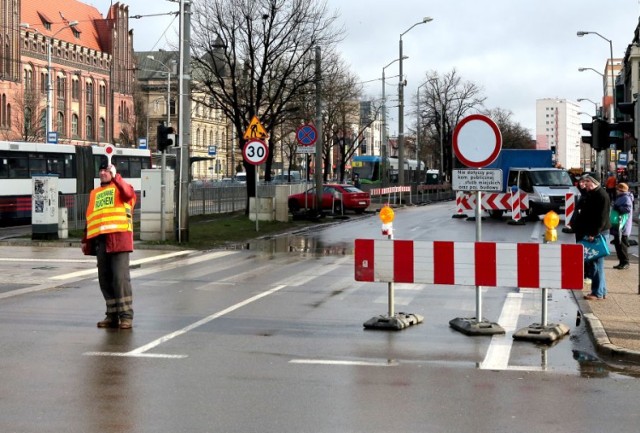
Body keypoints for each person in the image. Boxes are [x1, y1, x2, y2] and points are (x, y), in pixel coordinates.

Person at [81, 161, 137, 329]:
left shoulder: (122, 188)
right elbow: (91, 217)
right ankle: (111, 315)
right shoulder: (95, 193)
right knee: (105, 280)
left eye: (106, 170)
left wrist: (116, 177)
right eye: (101, 170)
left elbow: (128, 195)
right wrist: (85, 240)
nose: (103, 173)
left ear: (112, 172)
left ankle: (126, 316)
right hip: (101, 241)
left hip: (119, 239)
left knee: (120, 279)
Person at [572, 173, 611, 300]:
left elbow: (602, 218)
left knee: (596, 263)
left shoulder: (601, 196)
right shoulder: (593, 193)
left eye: (587, 182)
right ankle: (602, 291)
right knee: (597, 262)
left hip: (596, 233)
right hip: (593, 231)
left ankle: (597, 293)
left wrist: (593, 233)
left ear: (593, 182)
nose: (585, 185)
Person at [611, 182, 633, 270]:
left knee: (622, 245)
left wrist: (617, 208)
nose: (616, 191)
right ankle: (621, 262)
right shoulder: (622, 197)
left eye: (617, 189)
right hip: (619, 225)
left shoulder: (626, 197)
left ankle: (625, 262)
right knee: (618, 244)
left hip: (622, 226)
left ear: (620, 190)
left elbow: (627, 209)